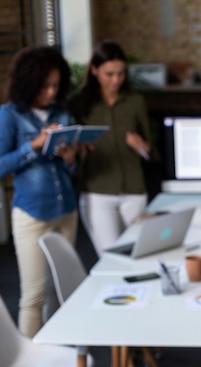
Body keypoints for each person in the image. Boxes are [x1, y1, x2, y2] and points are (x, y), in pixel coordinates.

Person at [0, 46, 78, 339]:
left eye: (56, 85)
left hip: (66, 211)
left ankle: (56, 358)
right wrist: (33, 146)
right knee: (34, 295)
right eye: (45, 85)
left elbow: (69, 170)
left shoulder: (62, 112)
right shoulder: (9, 116)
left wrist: (70, 159)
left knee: (62, 291)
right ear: (28, 83)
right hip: (31, 214)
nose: (50, 92)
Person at [68, 40, 156, 255]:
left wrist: (141, 146)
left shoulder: (135, 101)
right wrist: (77, 148)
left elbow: (150, 149)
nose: (116, 80)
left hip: (134, 191)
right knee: (110, 256)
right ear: (94, 70)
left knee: (141, 253)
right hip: (98, 192)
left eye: (121, 73)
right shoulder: (78, 103)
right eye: (109, 74)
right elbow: (67, 146)